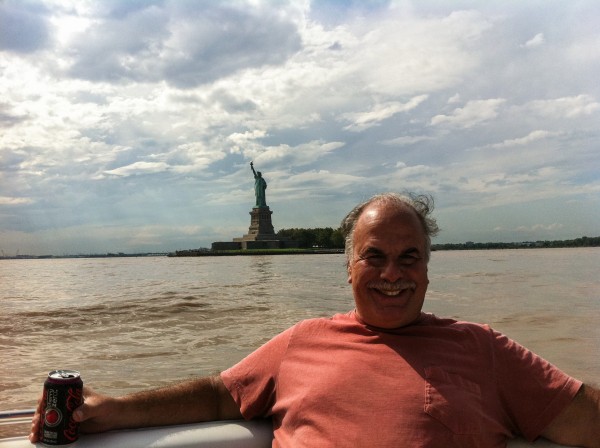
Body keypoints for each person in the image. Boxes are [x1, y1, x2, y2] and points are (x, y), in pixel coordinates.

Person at [30, 193, 600, 447]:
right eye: (373, 256)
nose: (392, 274)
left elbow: (584, 418)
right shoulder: (303, 341)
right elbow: (218, 396)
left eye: (409, 258)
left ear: (428, 270)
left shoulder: (482, 348)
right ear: (348, 267)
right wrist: (117, 410)